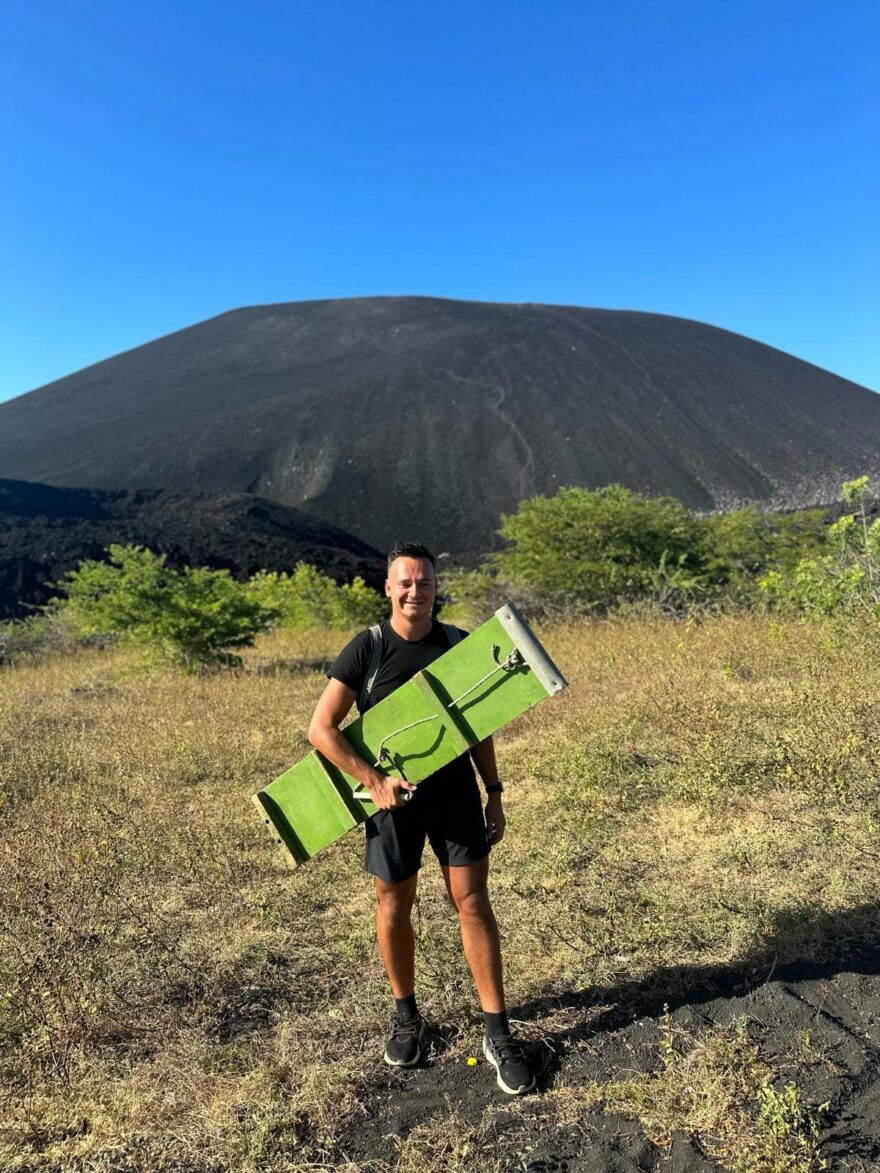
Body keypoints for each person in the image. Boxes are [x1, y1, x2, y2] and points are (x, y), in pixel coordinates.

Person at [308, 542, 535, 1096]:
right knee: (393, 904)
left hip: (455, 793)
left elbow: (478, 726)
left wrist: (495, 791)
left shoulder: (457, 645)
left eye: (425, 582)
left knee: (473, 901)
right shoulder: (369, 648)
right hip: (392, 803)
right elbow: (321, 729)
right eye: (405, 583)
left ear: (437, 587)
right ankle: (406, 1017)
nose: (415, 591)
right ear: (388, 588)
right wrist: (374, 781)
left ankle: (497, 1033)